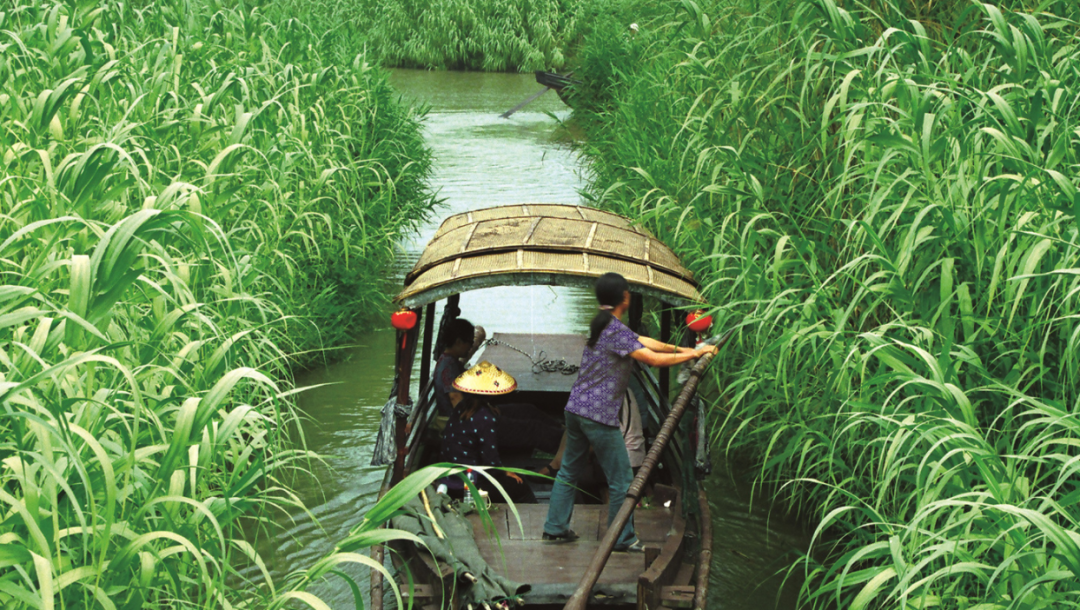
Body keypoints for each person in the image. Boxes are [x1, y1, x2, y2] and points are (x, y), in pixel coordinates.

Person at [542, 272, 718, 552]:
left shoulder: (605, 325)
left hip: (575, 410)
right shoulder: (614, 330)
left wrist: (686, 349)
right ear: (624, 297)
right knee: (623, 480)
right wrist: (695, 355)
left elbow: (648, 342)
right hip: (597, 416)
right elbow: (653, 359)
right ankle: (622, 538)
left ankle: (555, 527)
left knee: (568, 472)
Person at [434, 317, 565, 469]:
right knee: (533, 428)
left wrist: (486, 406)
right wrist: (484, 413)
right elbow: (457, 401)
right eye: (469, 343)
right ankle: (570, 442)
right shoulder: (448, 367)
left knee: (527, 409)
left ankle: (563, 429)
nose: (470, 347)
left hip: (478, 412)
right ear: (458, 342)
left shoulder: (451, 361)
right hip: (473, 424)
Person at [440, 361, 537, 504]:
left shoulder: (462, 406)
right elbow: (491, 461)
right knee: (520, 485)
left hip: (448, 475)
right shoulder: (485, 417)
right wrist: (505, 472)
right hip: (469, 483)